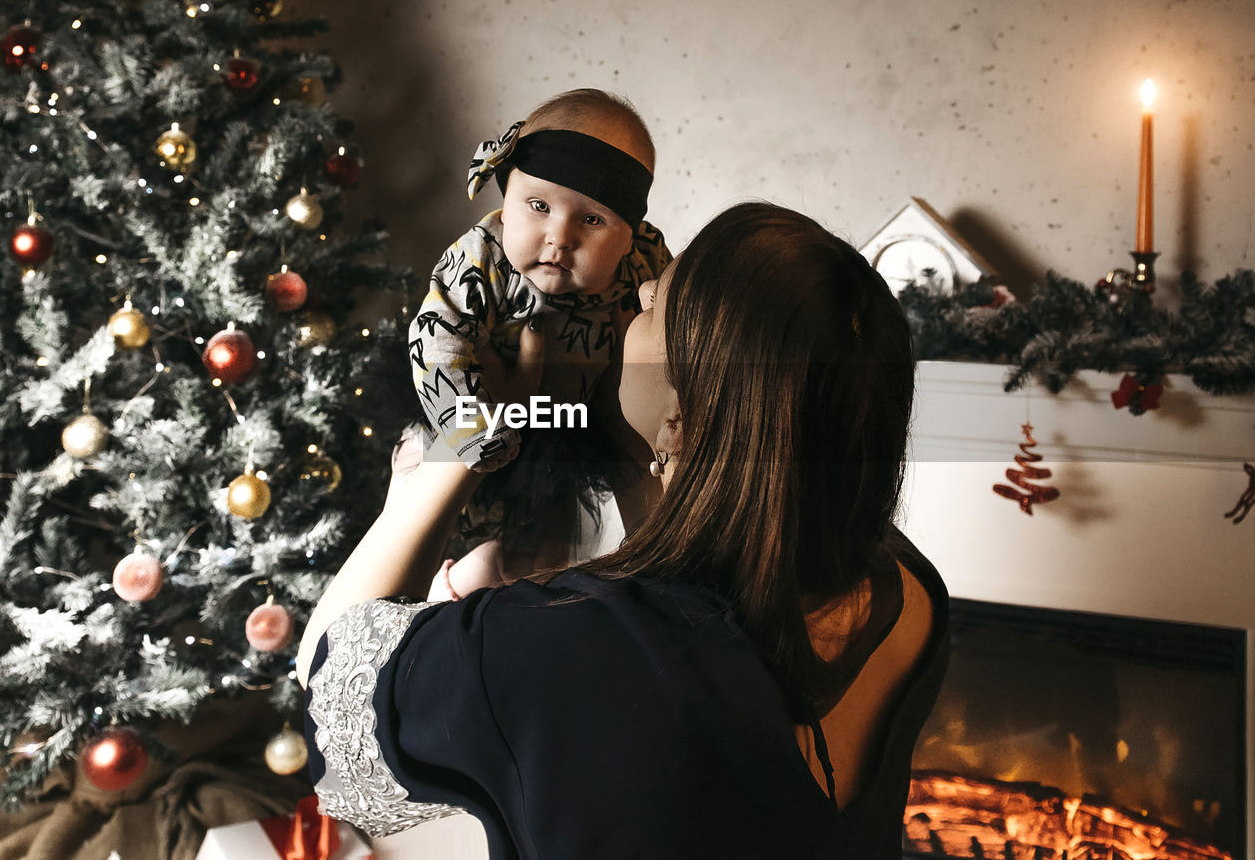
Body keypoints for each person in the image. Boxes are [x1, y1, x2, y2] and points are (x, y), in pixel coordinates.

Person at [299, 202, 949, 858]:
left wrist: (466, 432)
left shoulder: (589, 647)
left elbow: (330, 681)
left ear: (680, 417)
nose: (640, 286)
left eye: (659, 304)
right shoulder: (909, 589)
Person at [409, 88, 672, 475]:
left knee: (542, 533)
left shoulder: (644, 260)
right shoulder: (481, 259)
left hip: (567, 439)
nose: (560, 237)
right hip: (471, 427)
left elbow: (682, 312)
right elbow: (436, 338)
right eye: (540, 206)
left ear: (630, 236)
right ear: (506, 199)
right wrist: (473, 427)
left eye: (593, 220)